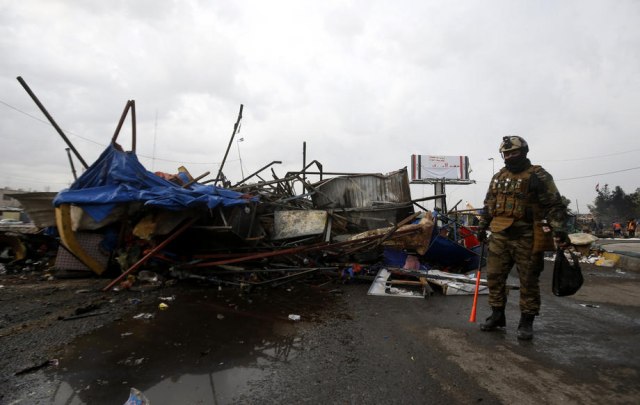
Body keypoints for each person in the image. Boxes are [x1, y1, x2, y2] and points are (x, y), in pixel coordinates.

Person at [476, 135, 569, 340]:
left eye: (513, 152)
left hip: (527, 235)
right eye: (506, 153)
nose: (509, 157)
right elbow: (489, 204)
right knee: (494, 276)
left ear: (524, 152)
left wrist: (559, 230)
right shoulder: (499, 176)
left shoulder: (539, 176)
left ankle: (526, 321)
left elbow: (554, 205)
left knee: (528, 280)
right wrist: (482, 227)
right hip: (500, 234)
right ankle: (497, 315)